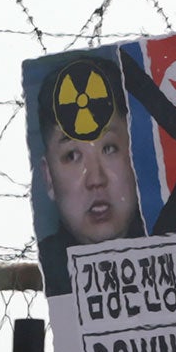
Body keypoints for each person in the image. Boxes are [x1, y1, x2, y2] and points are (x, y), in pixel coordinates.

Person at [34, 52, 144, 294]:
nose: (96, 179)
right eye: (72, 156)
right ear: (49, 177)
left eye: (109, 148)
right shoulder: (35, 277)